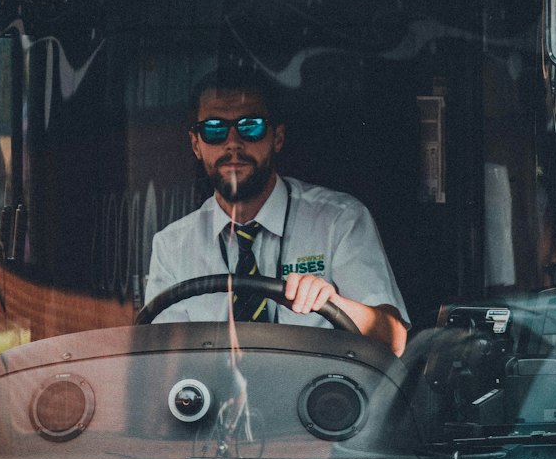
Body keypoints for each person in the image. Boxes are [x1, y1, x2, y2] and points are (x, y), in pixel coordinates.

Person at [145, 67, 408, 354]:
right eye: (214, 130)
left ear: (277, 138)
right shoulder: (172, 246)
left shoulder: (338, 220)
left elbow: (394, 339)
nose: (233, 142)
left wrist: (331, 304)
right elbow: (160, 360)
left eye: (251, 126)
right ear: (196, 145)